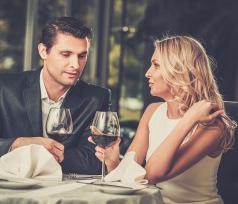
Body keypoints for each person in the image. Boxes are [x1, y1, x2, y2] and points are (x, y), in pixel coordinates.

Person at [89, 35, 236, 203]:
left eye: (156, 65)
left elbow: (152, 175)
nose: (147, 73)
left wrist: (188, 120)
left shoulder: (212, 126)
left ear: (179, 70)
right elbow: (132, 181)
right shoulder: (152, 112)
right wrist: (113, 162)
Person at [0, 16, 111, 174]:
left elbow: (96, 160)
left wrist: (43, 154)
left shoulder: (97, 98)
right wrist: (22, 144)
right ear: (43, 51)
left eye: (82, 56)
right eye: (66, 54)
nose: (76, 65)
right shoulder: (3, 88)